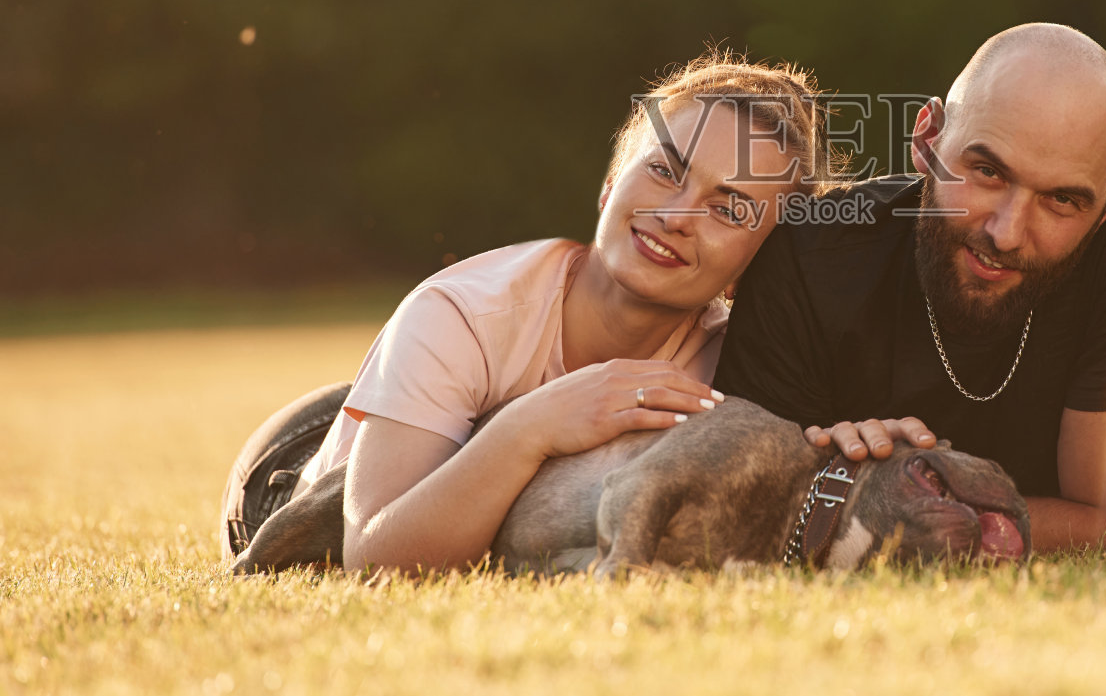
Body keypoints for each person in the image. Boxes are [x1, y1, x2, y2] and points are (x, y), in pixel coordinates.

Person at [220, 52, 835, 572]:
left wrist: (855, 435)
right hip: (299, 483)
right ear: (610, 184)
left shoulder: (744, 366)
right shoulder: (462, 314)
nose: (676, 216)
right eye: (662, 170)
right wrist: (534, 425)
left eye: (728, 210)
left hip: (430, 424)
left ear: (761, 265)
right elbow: (374, 557)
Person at [713, 23, 1106, 550]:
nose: (1006, 233)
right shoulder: (808, 259)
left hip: (1079, 465)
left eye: (1062, 201)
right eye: (987, 172)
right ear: (927, 138)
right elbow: (745, 501)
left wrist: (884, 512)